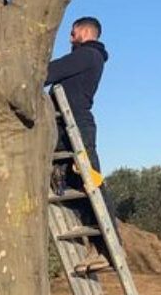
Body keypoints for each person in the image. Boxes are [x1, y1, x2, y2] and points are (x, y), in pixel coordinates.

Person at [46, 16, 115, 273]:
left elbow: (48, 72)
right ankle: (95, 248)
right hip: (67, 129)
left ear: (85, 32)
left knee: (91, 183)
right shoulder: (88, 57)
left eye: (73, 33)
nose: (70, 38)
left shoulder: (88, 55)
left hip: (78, 129)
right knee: (74, 188)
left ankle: (109, 248)